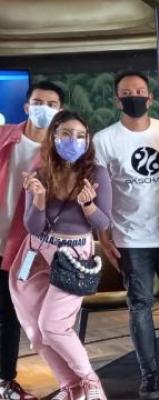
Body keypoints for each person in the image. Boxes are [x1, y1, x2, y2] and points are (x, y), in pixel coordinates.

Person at [94, 71, 159, 400]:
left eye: (139, 91)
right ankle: (149, 374)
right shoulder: (104, 140)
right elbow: (99, 191)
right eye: (126, 93)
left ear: (150, 98)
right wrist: (103, 234)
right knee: (140, 305)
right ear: (117, 100)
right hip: (130, 239)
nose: (133, 97)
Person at [9, 110, 111, 400]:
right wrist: (39, 199)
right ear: (53, 137)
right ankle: (71, 387)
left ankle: (90, 382)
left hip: (73, 254)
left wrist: (88, 205)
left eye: (80, 135)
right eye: (65, 134)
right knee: (36, 332)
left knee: (52, 325)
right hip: (35, 252)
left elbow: (103, 223)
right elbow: (33, 226)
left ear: (88, 140)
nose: (73, 141)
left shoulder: (97, 173)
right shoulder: (39, 173)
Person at [0, 81, 64, 400]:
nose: (44, 109)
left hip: (23, 249)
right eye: (38, 102)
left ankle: (4, 381)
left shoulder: (58, 154)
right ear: (27, 107)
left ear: (60, 111)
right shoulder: (4, 136)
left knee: (10, 314)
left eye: (52, 104)